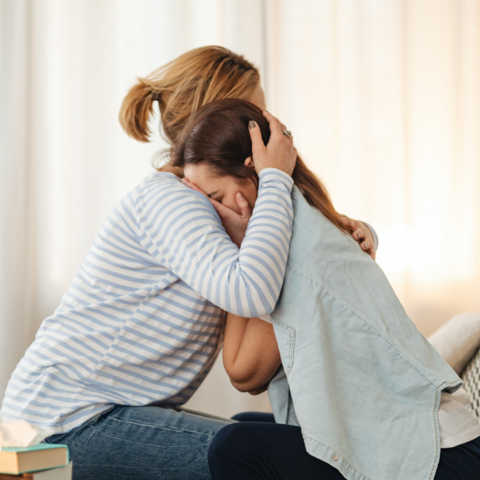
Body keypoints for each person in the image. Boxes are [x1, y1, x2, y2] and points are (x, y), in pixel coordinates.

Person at [0, 46, 376, 480]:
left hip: (90, 413)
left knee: (262, 440)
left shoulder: (212, 206)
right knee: (258, 457)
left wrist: (356, 231)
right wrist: (275, 177)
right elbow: (252, 290)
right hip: (62, 421)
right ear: (215, 121)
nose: (269, 140)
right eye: (256, 120)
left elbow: (284, 265)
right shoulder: (171, 199)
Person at [169, 98, 480, 479]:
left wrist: (243, 246)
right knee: (241, 424)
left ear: (254, 174)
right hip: (403, 436)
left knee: (234, 446)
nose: (211, 217)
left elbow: (244, 372)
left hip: (437, 455)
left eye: (214, 199)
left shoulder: (296, 243)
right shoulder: (295, 222)